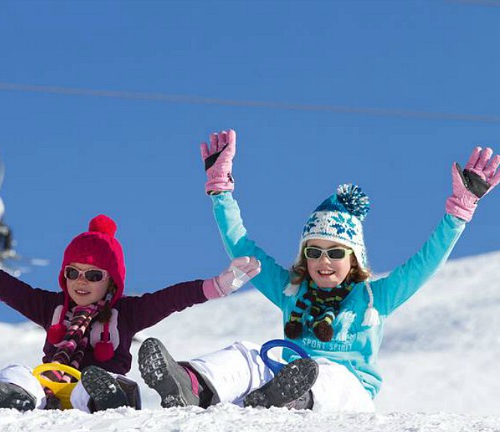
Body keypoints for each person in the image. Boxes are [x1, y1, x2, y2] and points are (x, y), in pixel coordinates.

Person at [138, 130, 500, 412]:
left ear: (354, 258)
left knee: (328, 375)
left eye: (335, 253)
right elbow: (243, 247)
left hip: (349, 393)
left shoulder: (375, 297)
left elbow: (425, 262)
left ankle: (289, 399)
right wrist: (220, 191)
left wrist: (460, 212)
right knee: (247, 352)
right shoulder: (291, 290)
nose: (323, 261)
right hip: (286, 372)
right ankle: (191, 383)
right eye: (314, 252)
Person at [0, 213, 261, 413]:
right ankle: (11, 395)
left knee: (94, 382)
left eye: (93, 275)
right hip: (53, 387)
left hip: (106, 389)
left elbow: (174, 298)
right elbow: (4, 286)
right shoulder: (53, 308)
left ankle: (105, 399)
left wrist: (221, 283)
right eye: (72, 272)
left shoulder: (128, 312)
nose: (81, 281)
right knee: (20, 372)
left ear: (111, 282)